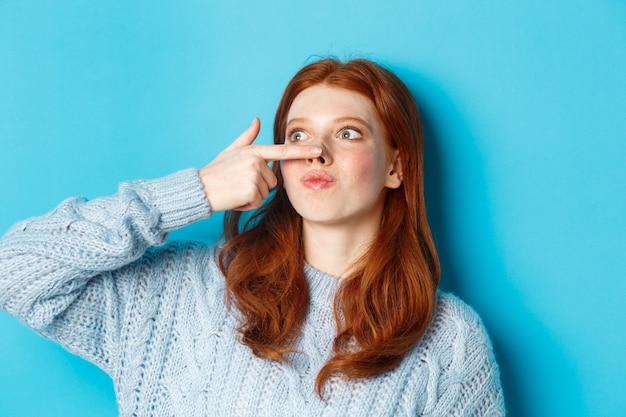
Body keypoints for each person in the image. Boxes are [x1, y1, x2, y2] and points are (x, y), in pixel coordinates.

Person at [0, 58, 505, 416]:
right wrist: (193, 191)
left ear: (396, 167)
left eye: (348, 132)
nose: (317, 152)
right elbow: (13, 270)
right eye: (300, 135)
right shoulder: (181, 291)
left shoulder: (448, 340)